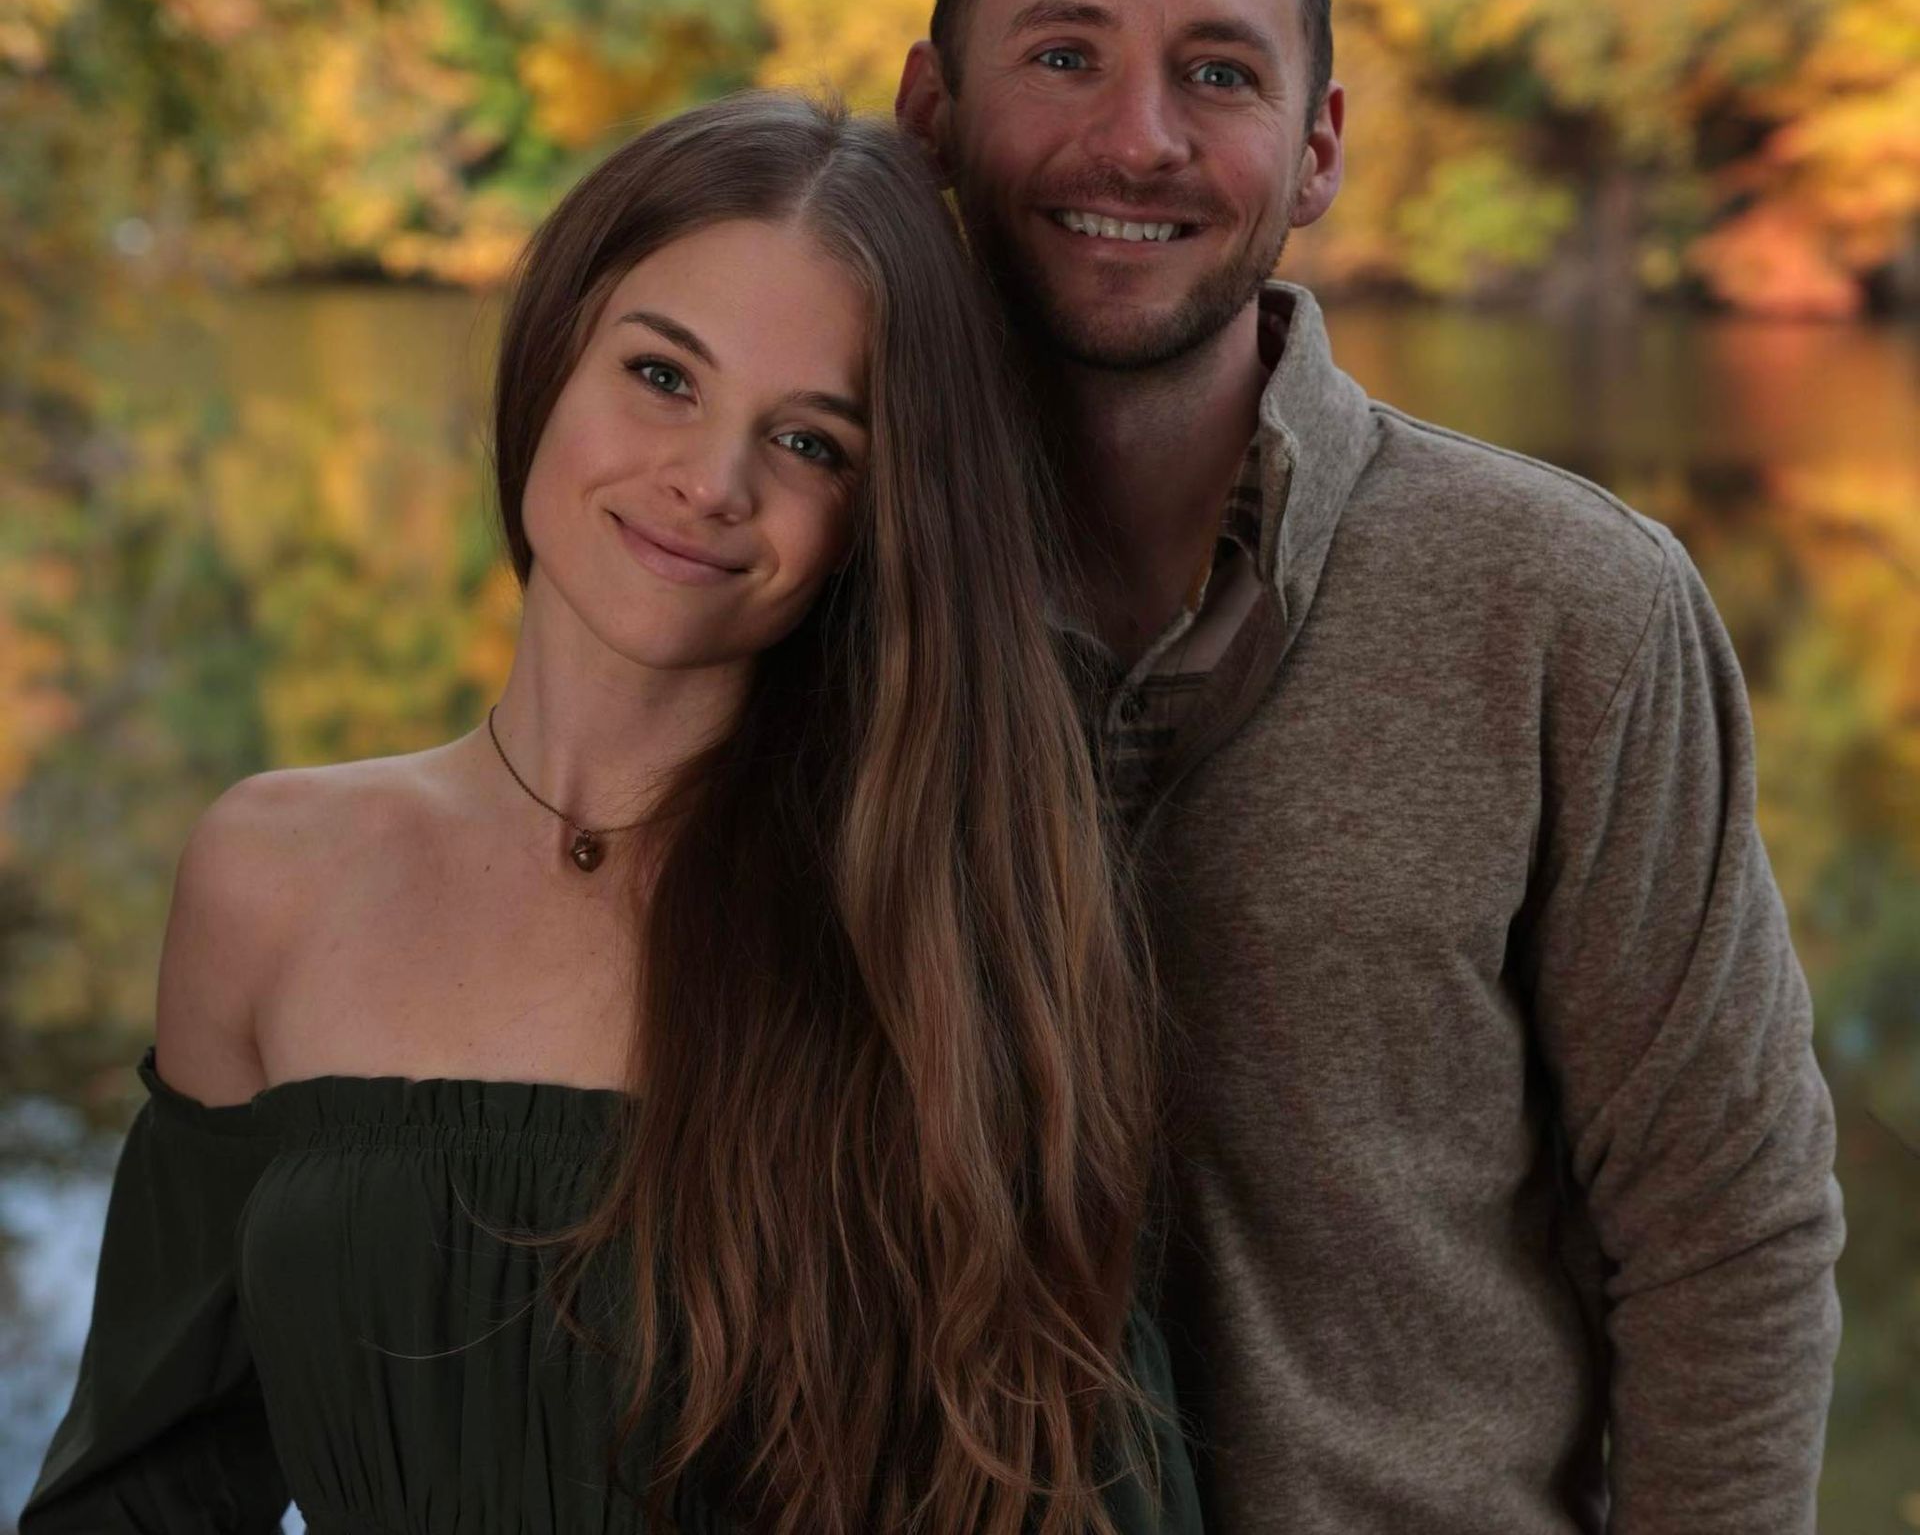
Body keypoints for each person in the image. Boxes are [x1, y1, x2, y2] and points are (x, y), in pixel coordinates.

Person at [23, 91, 1204, 1535]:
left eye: (812, 444)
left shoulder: (947, 932)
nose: (709, 481)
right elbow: (148, 1492)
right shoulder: (271, 878)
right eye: (661, 375)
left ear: (879, 519)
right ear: (552, 357)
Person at [896, 0, 1845, 1535]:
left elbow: (1729, 1237)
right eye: (1063, 54)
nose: (1139, 139)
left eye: (1219, 72)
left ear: (1318, 146)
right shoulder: (807, 573)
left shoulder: (1572, 607)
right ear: (930, 109)